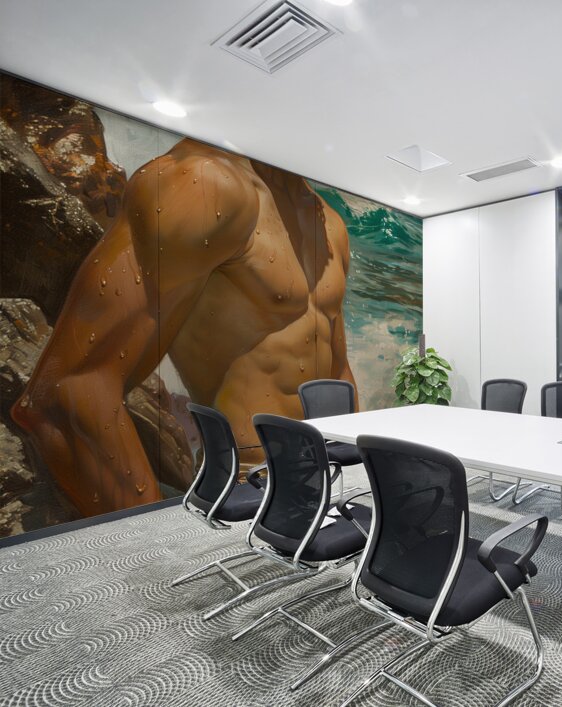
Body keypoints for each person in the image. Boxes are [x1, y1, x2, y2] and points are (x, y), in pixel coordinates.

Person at [12, 138, 356, 516]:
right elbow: (67, 390)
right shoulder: (205, 182)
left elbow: (337, 372)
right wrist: (154, 546)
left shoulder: (331, 225)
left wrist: (361, 471)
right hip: (249, 486)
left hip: (323, 481)